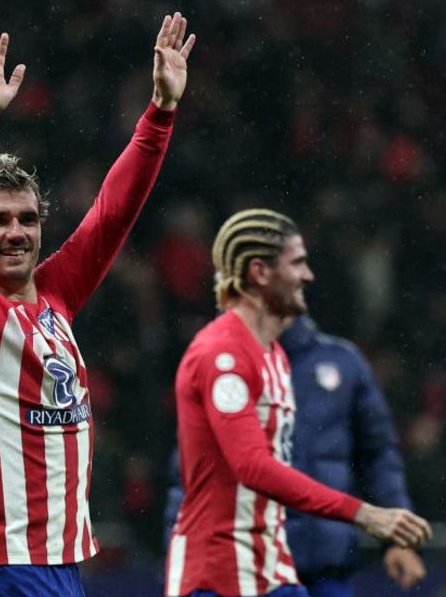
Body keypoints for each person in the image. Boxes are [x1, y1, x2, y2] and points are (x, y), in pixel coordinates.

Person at [0, 15, 195, 596]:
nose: (15, 231)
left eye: (27, 218)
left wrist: (159, 114)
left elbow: (111, 215)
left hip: (62, 563)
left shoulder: (55, 296)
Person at [165, 209, 431, 597]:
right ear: (260, 272)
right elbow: (251, 466)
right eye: (298, 263)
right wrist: (365, 513)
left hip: (273, 569)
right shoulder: (221, 354)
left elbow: (378, 452)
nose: (308, 276)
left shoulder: (272, 354)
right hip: (221, 577)